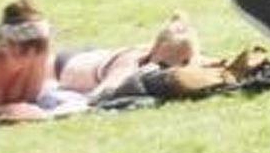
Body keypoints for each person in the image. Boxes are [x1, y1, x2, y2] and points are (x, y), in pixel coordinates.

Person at [54, 13, 200, 100]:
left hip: (97, 56)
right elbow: (96, 97)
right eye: (164, 66)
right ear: (154, 52)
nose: (175, 70)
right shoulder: (127, 68)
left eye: (185, 62)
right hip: (68, 65)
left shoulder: (163, 51)